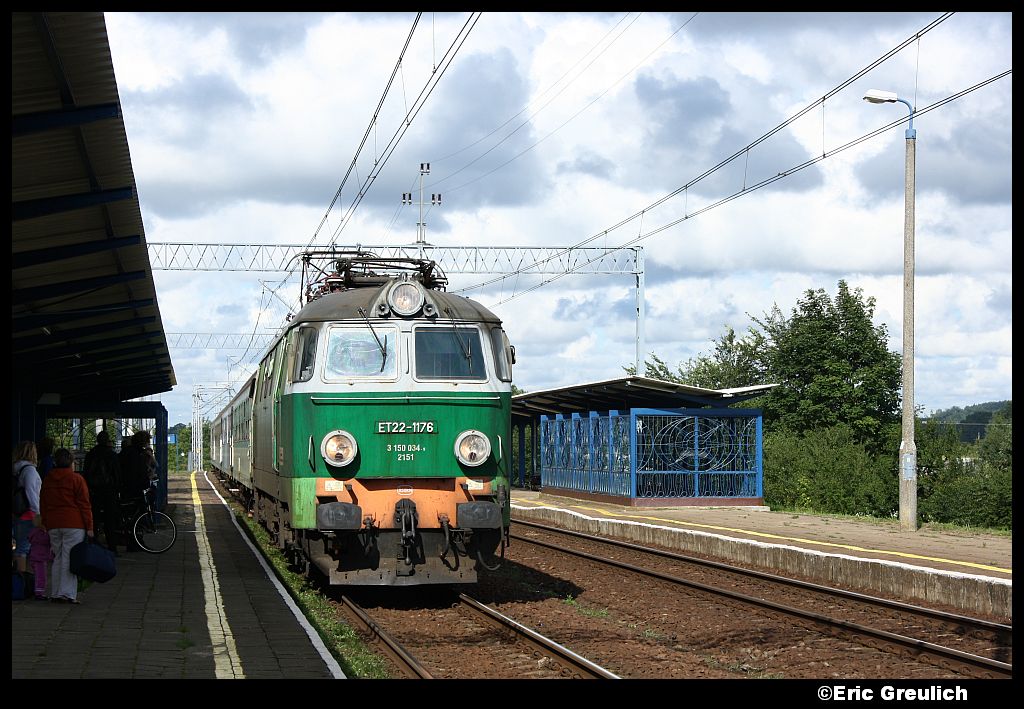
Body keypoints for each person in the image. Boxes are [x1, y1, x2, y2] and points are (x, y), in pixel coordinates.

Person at [39, 448, 93, 604]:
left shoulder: (48, 479)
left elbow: (43, 502)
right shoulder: (76, 479)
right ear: (71, 462)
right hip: (74, 523)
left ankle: (56, 592)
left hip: (54, 523)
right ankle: (67, 593)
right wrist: (89, 527)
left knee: (58, 557)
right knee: (69, 557)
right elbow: (84, 504)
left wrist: (45, 522)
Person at [82, 430, 122, 553]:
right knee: (110, 520)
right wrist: (117, 489)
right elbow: (117, 475)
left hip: (94, 491)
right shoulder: (112, 455)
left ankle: (93, 546)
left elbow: (86, 472)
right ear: (107, 440)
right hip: (109, 491)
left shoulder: (91, 454)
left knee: (94, 519)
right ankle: (112, 547)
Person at [11, 441, 42, 575]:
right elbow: (31, 493)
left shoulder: (17, 469)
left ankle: (17, 576)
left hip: (19, 513)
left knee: (20, 546)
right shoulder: (29, 470)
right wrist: (37, 513)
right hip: (28, 514)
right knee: (23, 548)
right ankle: (20, 580)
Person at [27, 525, 53, 600]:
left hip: (34, 557)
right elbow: (47, 541)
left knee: (38, 576)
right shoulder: (41, 534)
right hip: (39, 558)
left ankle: (37, 591)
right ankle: (39, 593)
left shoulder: (34, 532)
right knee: (41, 576)